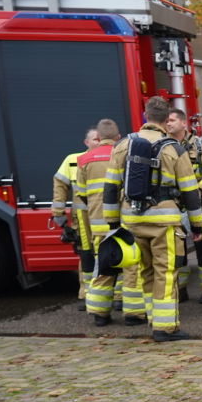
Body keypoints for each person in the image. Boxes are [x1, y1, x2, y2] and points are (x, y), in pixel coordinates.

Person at [103, 97, 202, 342]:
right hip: (164, 223)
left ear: (145, 116)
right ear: (166, 120)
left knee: (145, 272)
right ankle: (165, 328)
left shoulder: (122, 145)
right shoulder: (174, 149)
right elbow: (190, 191)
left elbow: (110, 188)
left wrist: (113, 224)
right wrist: (197, 225)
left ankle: (153, 319)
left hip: (132, 221)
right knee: (166, 272)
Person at [165, 108, 202, 304]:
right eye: (166, 120)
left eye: (172, 120)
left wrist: (199, 190)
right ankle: (179, 289)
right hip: (171, 205)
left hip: (196, 204)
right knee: (176, 248)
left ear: (183, 123)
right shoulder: (162, 145)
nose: (168, 123)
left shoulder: (199, 146)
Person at [80, 120, 123, 326]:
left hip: (98, 223)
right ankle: (130, 311)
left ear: (98, 136)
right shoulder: (122, 154)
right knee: (129, 265)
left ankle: (100, 314)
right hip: (122, 222)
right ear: (117, 137)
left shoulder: (83, 159)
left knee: (102, 267)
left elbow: (81, 195)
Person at [51, 127, 100, 302]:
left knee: (108, 252)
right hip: (82, 215)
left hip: (106, 214)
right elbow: (59, 183)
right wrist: (58, 213)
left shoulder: (112, 156)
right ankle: (86, 294)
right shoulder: (73, 160)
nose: (99, 142)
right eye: (95, 139)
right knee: (85, 253)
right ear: (86, 143)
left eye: (101, 138)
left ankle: (110, 296)